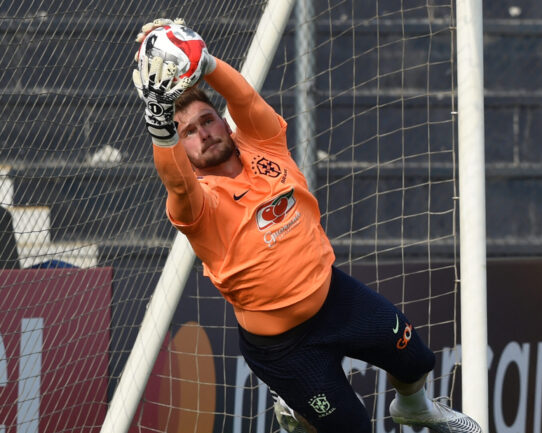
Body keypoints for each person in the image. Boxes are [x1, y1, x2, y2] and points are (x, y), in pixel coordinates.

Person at [132, 19, 482, 433]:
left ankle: (416, 408)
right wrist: (159, 118)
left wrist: (199, 58)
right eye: (187, 132)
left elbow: (242, 96)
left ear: (224, 121)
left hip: (333, 297)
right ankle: (298, 411)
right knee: (352, 427)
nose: (203, 134)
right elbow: (173, 176)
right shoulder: (198, 204)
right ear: (181, 149)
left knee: (416, 357)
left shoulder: (263, 142)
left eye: (207, 120)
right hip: (283, 348)